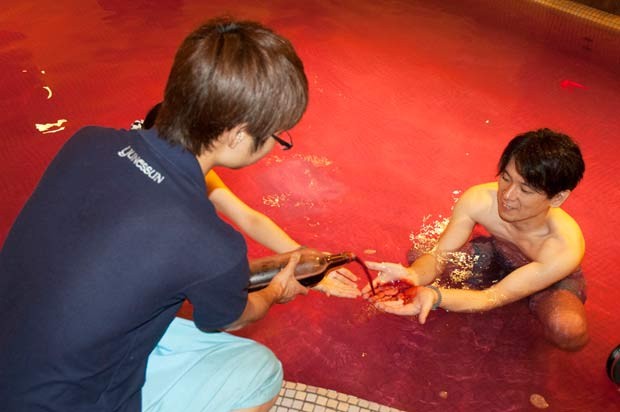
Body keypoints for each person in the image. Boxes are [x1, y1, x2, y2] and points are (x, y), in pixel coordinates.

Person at [0, 18, 346, 412]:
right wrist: (275, 292)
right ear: (236, 135)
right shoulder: (210, 242)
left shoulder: (86, 142)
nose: (274, 145)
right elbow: (229, 318)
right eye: (276, 136)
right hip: (62, 403)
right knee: (261, 372)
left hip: (14, 364)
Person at [364, 128, 588, 351]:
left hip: (551, 279)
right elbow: (439, 256)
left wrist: (438, 296)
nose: (508, 196)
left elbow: (494, 297)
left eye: (526, 190)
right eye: (506, 178)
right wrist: (413, 275)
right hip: (499, 254)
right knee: (419, 254)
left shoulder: (563, 246)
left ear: (558, 197)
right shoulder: (480, 200)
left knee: (568, 329)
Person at [134, 102, 361, 298]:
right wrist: (274, 293)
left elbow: (248, 218)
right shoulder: (165, 203)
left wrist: (305, 260)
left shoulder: (179, 157)